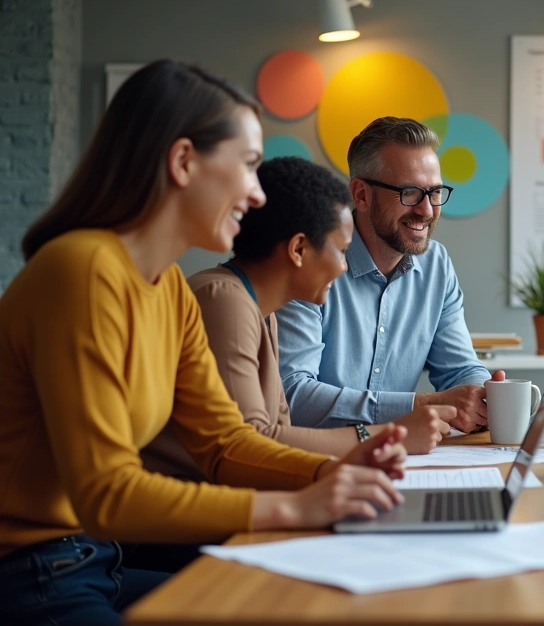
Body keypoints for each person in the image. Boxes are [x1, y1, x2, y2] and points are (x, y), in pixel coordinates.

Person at [0, 61, 408, 626]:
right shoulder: (83, 271)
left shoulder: (165, 283)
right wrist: (296, 503)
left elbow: (223, 442)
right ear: (184, 162)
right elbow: (108, 494)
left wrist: (330, 473)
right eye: (247, 165)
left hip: (95, 560)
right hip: (33, 576)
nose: (254, 193)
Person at [143, 157, 456, 490]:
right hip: (180, 518)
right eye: (341, 251)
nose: (342, 268)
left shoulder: (259, 309)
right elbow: (251, 448)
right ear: (298, 249)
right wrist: (391, 436)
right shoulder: (223, 300)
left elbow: (279, 431)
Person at [277, 117, 503, 435]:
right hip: (318, 465)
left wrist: (484, 395)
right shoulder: (309, 261)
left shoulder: (436, 265)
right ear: (361, 195)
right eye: (410, 192)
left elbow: (460, 369)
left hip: (402, 461)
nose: (426, 210)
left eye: (435, 192)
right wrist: (418, 406)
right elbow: (292, 396)